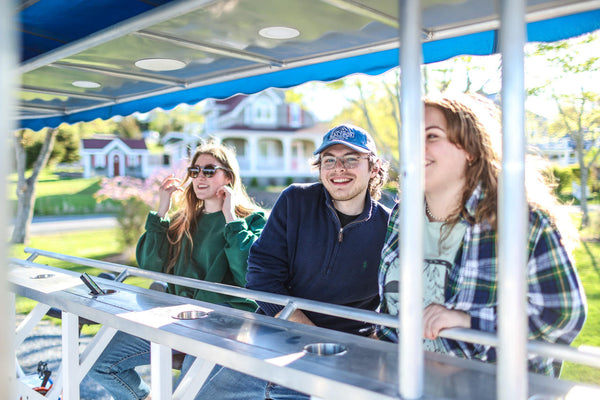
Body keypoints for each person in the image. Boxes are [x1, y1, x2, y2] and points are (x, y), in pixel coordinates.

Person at [377, 93, 587, 376]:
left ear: (471, 150)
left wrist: (469, 321)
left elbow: (561, 315)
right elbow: (393, 309)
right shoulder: (402, 216)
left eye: (432, 136)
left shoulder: (518, 221)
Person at [194, 124, 391, 400]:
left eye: (351, 159)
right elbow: (261, 275)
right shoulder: (295, 200)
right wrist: (313, 339)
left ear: (374, 168)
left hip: (342, 355)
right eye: (329, 160)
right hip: (274, 335)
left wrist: (351, 347)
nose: (339, 168)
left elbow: (398, 301)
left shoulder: (390, 227)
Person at [88, 142, 266, 400]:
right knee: (100, 364)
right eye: (195, 171)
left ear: (228, 176)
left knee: (187, 395)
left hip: (224, 325)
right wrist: (162, 208)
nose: (200, 177)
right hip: (175, 317)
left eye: (209, 170)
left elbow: (250, 275)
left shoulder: (253, 220)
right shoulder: (181, 221)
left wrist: (231, 218)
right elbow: (151, 266)